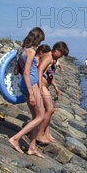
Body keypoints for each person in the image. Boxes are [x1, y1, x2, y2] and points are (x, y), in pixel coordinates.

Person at [8, 27, 46, 158]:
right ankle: (16, 138)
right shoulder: (30, 51)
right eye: (40, 41)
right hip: (30, 86)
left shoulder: (21, 49)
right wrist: (31, 93)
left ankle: (32, 147)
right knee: (41, 116)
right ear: (36, 39)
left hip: (25, 85)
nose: (40, 44)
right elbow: (25, 73)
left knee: (36, 116)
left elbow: (17, 69)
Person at [37, 41, 69, 144]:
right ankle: (40, 134)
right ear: (56, 50)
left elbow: (49, 75)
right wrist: (40, 86)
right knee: (50, 109)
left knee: (48, 110)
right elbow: (40, 70)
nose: (62, 56)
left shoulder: (54, 59)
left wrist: (55, 87)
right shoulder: (49, 57)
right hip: (42, 85)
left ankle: (46, 133)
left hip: (46, 85)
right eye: (62, 53)